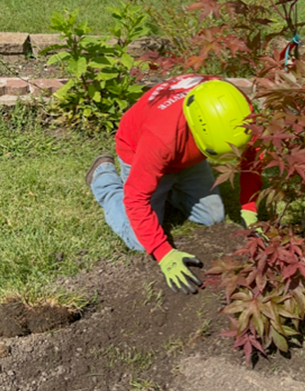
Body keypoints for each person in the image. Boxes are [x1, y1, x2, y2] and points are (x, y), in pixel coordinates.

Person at [85, 74, 262, 295]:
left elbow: (252, 158)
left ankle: (167, 188)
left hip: (185, 156)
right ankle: (103, 177)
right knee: (139, 241)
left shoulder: (235, 108)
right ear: (197, 130)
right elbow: (136, 198)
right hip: (138, 149)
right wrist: (163, 252)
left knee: (212, 217)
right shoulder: (160, 138)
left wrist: (249, 208)